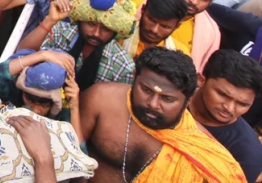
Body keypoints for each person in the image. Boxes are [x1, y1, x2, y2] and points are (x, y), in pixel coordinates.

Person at [80, 47, 245, 183]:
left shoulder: (203, 153)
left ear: (187, 100)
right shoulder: (102, 100)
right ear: (135, 78)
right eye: (145, 90)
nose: (152, 103)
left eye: (167, 99)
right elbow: (66, 154)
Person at [19, 0, 137, 90]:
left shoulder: (123, 66)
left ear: (114, 32)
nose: (96, 33)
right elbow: (20, 57)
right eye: (91, 24)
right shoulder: (60, 31)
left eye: (106, 29)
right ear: (80, 20)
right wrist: (49, 20)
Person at [189, 49, 262, 183]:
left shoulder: (246, 153)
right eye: (222, 95)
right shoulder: (167, 100)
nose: (229, 108)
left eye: (242, 104)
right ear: (201, 80)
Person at [124, 0, 190, 57]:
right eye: (151, 20)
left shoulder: (180, 54)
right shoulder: (120, 35)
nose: (154, 30)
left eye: (164, 26)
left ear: (177, 26)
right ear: (143, 9)